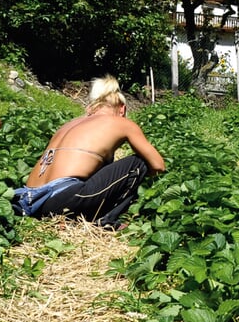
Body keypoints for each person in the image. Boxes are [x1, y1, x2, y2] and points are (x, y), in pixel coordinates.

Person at [14, 76, 165, 228]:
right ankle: (106, 220)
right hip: (63, 201)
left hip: (31, 199)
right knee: (138, 163)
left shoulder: (69, 124)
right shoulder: (123, 123)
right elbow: (158, 165)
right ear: (122, 108)